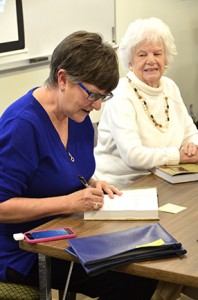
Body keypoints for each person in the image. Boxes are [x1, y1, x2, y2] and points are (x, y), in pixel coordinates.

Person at [0, 31, 158, 300]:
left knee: (145, 262)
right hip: (24, 252)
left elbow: (65, 170)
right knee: (133, 279)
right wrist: (69, 203)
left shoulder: (78, 115)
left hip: (66, 234)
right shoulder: (22, 125)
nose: (97, 107)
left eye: (103, 97)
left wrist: (94, 185)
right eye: (93, 95)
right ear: (62, 79)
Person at [94, 17, 198, 188]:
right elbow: (133, 156)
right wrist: (178, 156)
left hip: (164, 178)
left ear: (166, 59)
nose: (151, 60)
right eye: (142, 55)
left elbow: (190, 133)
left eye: (157, 53)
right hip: (120, 187)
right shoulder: (121, 93)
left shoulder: (170, 87)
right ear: (130, 62)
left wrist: (193, 147)